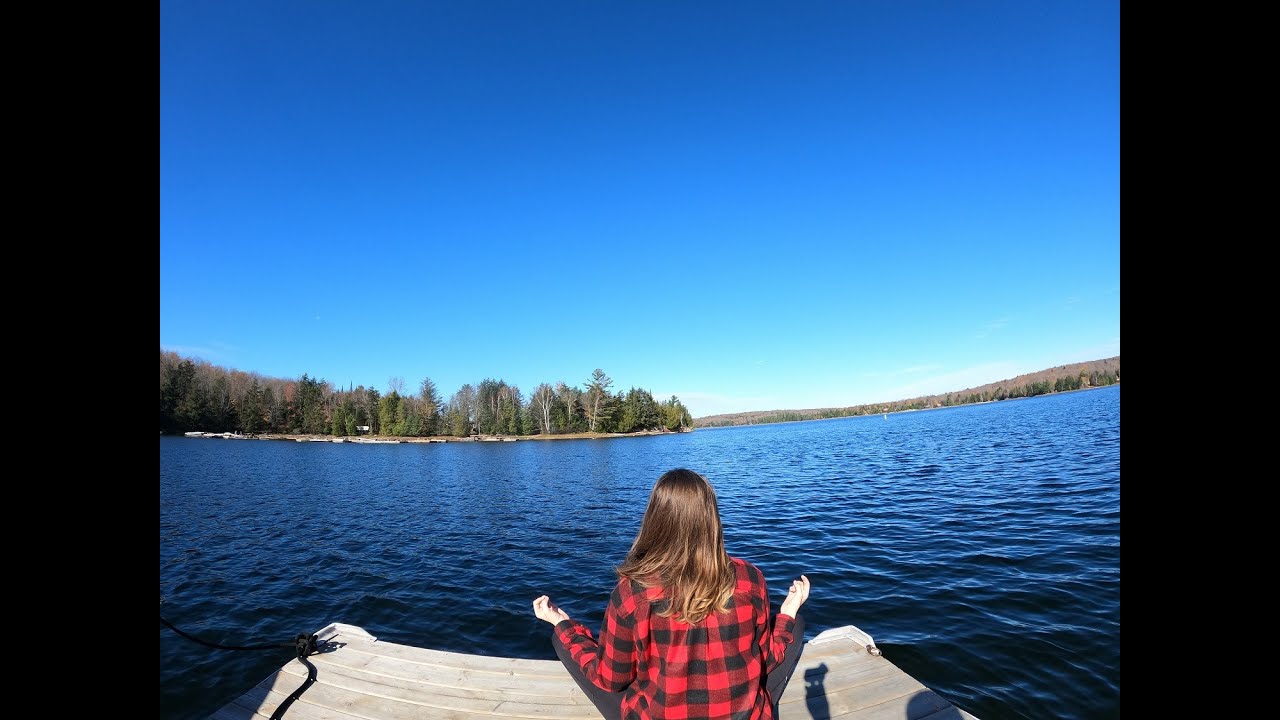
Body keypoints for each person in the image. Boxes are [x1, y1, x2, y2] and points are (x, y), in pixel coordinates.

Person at [532, 468, 811, 720]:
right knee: (793, 625)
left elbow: (610, 679)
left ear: (655, 521)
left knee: (565, 641)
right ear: (712, 519)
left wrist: (563, 625)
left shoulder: (630, 593)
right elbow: (767, 658)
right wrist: (787, 614)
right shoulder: (750, 578)